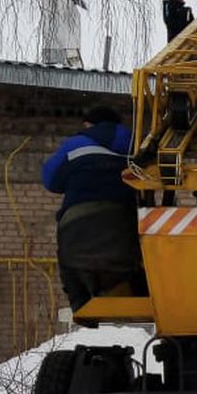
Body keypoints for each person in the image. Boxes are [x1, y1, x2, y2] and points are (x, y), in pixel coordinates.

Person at [42, 106, 145, 312]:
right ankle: (143, 299)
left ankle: (79, 303)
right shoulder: (136, 143)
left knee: (68, 260)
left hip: (78, 216)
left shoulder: (75, 144)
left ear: (89, 124)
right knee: (132, 262)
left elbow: (51, 181)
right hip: (123, 218)